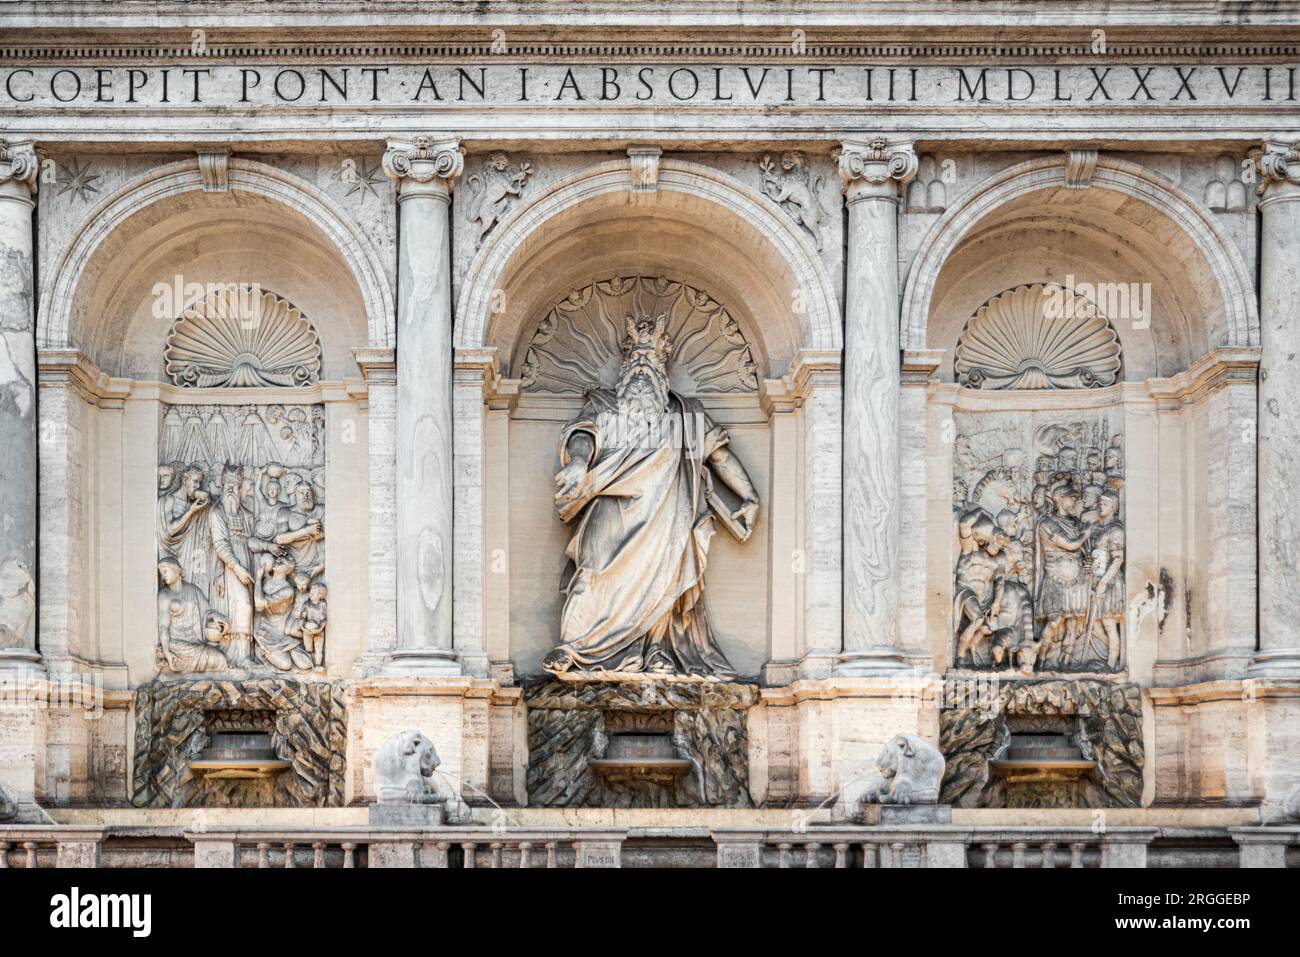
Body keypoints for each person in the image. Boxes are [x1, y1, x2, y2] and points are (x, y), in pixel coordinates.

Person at [543, 312, 760, 677]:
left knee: (665, 576)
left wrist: (749, 497)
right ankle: (574, 646)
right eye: (636, 364)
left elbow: (719, 455)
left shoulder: (685, 414)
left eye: (651, 364)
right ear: (625, 370)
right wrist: (579, 463)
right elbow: (583, 435)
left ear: (662, 373)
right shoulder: (604, 405)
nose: (642, 371)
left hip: (666, 512)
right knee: (592, 571)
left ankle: (656, 649)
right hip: (610, 506)